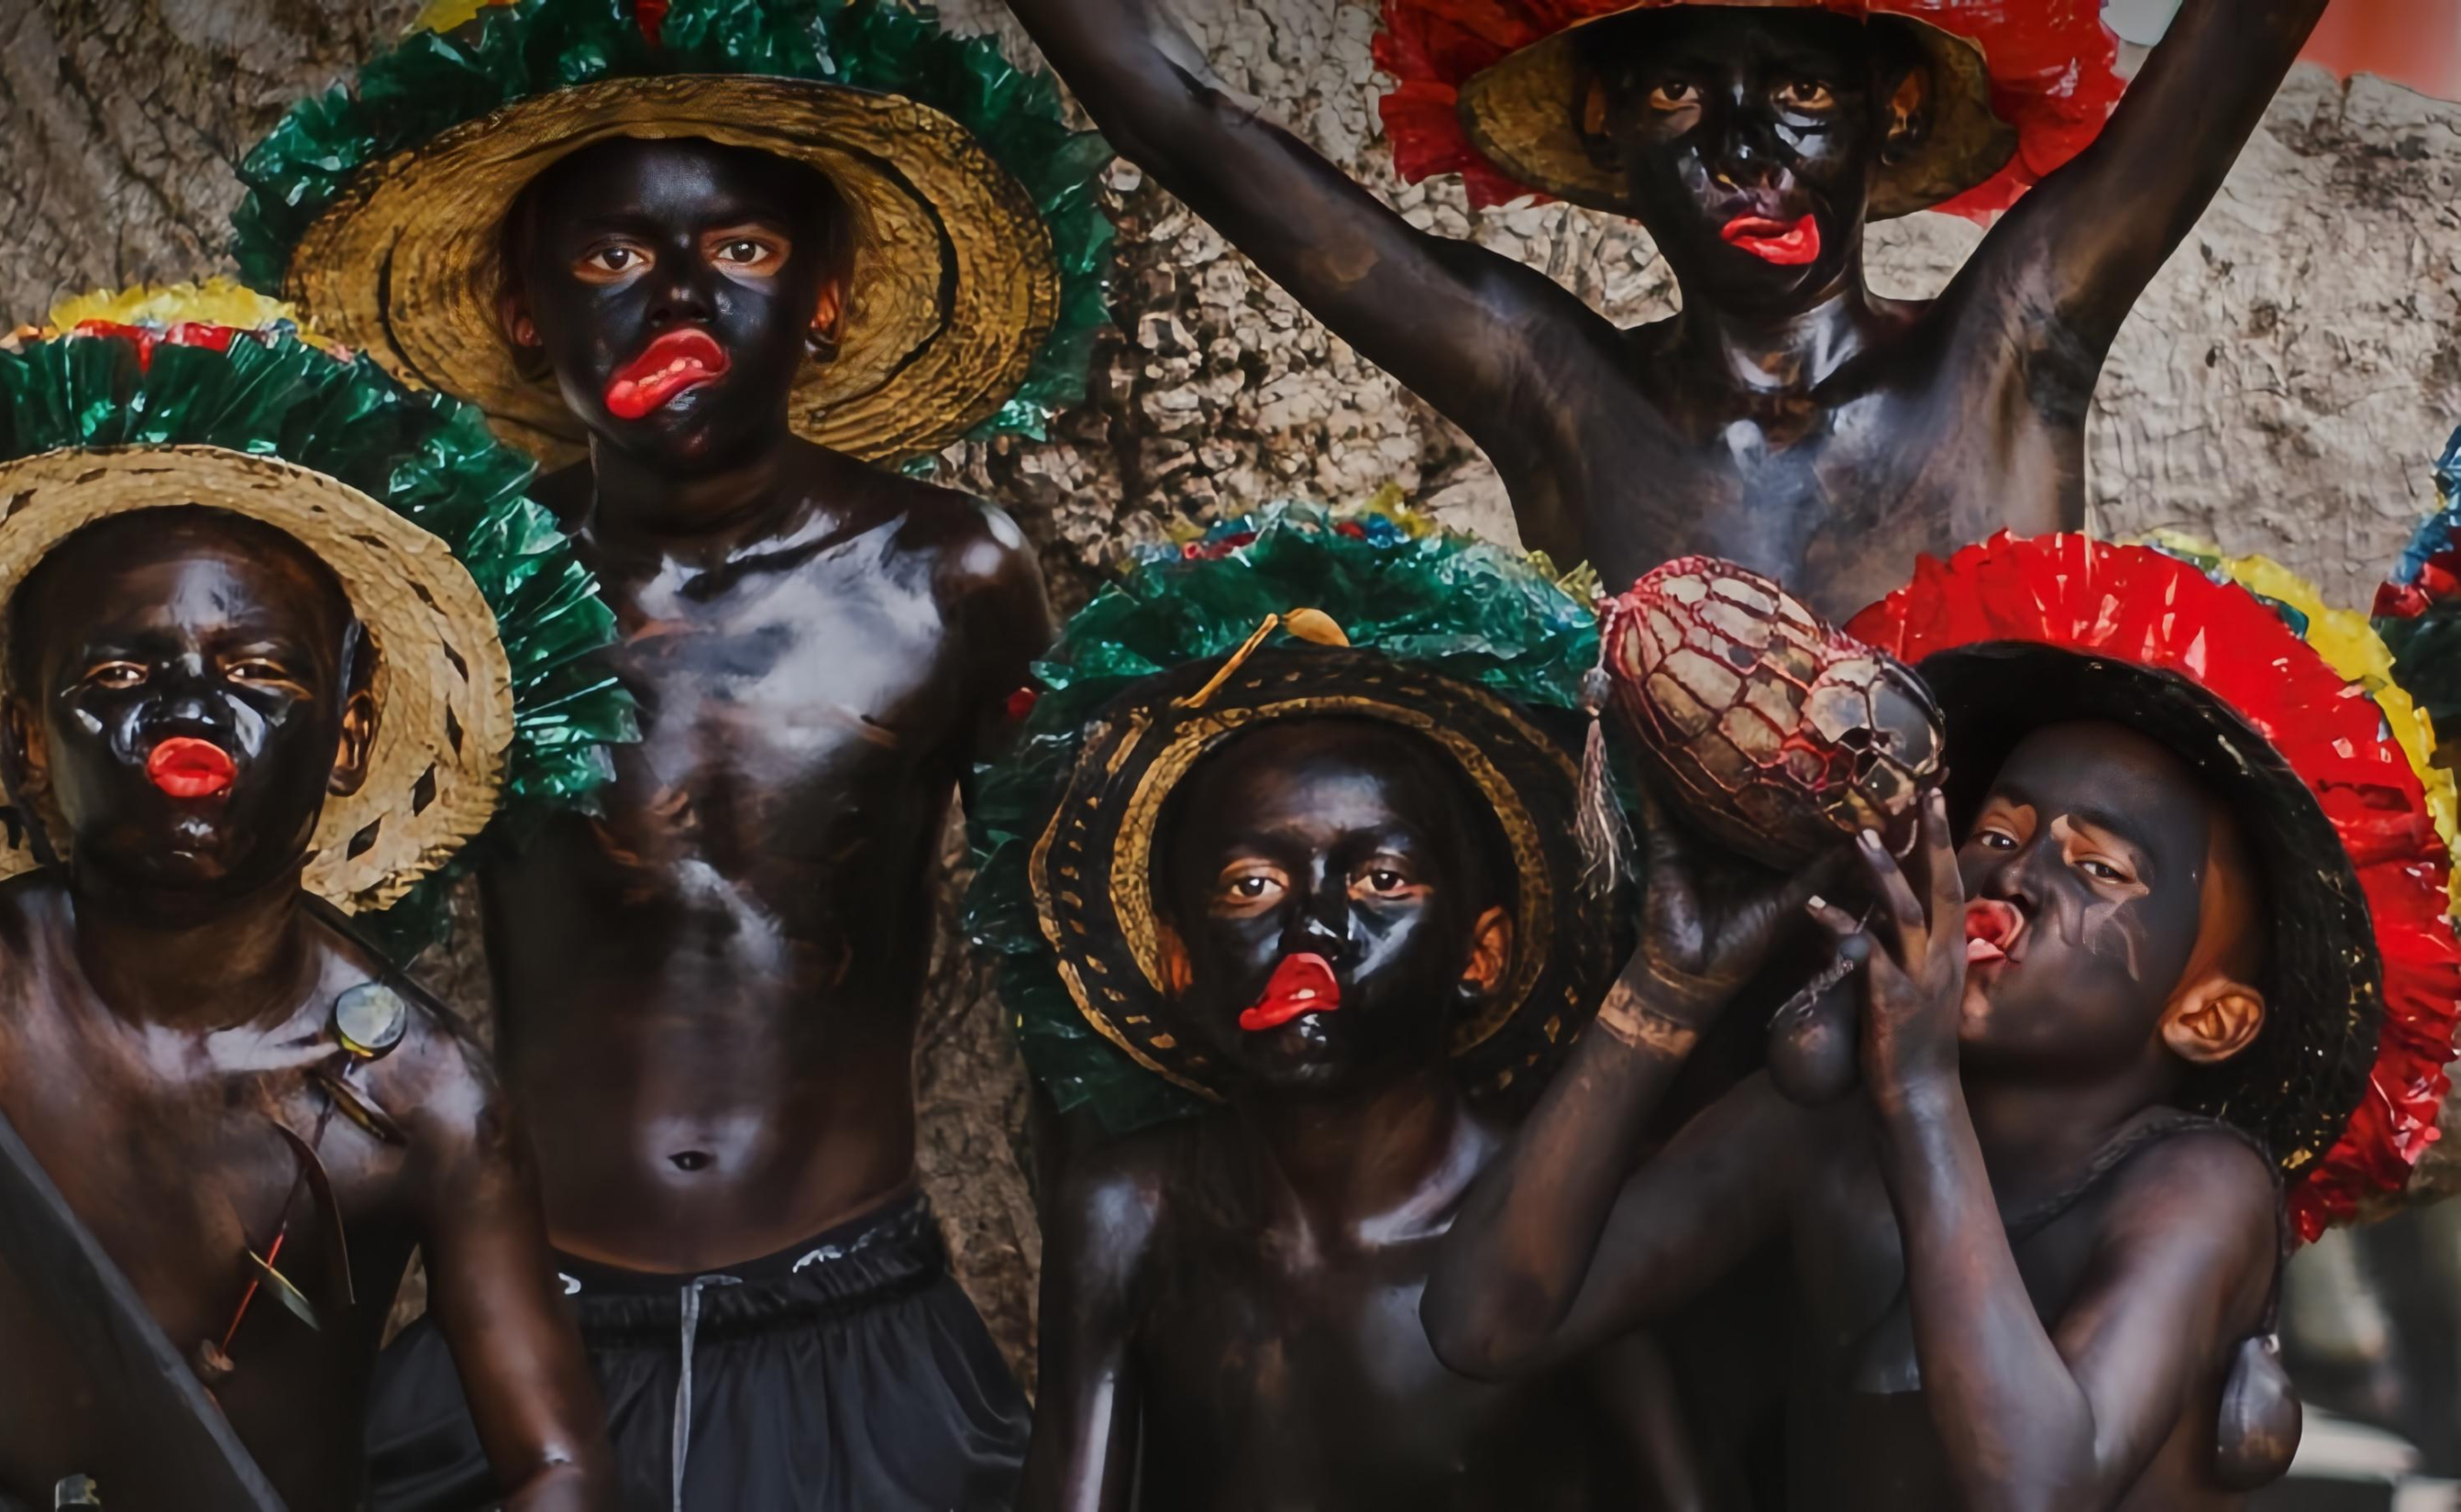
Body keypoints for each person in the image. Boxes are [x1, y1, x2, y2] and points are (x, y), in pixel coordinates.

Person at [234, 2, 1114, 1505]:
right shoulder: (471, 589)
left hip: (862, 1327)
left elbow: (1076, 980)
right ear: (527, 311)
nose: (679, 295)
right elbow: (288, 955)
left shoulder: (951, 575)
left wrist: (1106, 1367)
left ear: (822, 298)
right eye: (610, 258)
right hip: (528, 1329)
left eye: (746, 253)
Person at [0, 288, 637, 1512]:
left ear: (350, 734)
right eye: (118, 673)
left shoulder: (426, 1096)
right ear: (30, 744)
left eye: (257, 671)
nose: (192, 714)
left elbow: (556, 1463)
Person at [1422, 534, 2461, 1508]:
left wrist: (1921, 1091)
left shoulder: (2197, 1190)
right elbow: (1485, 1322)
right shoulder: (1827, 1127)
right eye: (1999, 828)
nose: (2017, 867)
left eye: (2100, 867)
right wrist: (1668, 991)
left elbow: (2035, 1485)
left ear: (2211, 1016)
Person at [1003, 0, 2330, 619]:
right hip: (1675, 1072)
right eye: (1676, 98)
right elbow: (1186, 121)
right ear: (1605, 126)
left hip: (1989, 1076)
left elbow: (2243, 32)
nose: (1749, 149)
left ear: (1893, 111)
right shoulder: (1556, 391)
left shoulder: (2010, 343)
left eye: (1804, 95)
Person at [966, 504, 1713, 1509]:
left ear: (1481, 951)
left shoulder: (1561, 1213)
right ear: (1179, 958)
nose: (1314, 927)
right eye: (1252, 886)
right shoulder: (1132, 1215)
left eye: (1380, 880)